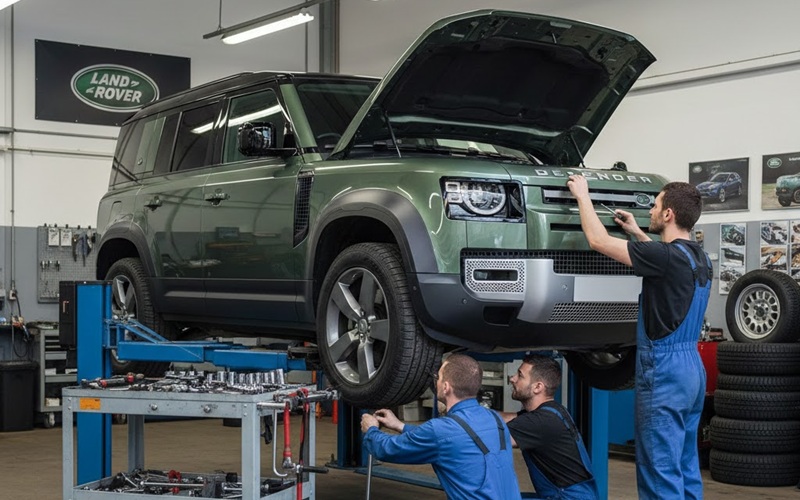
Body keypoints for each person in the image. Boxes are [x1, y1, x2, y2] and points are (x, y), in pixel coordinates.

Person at [566, 175, 711, 499]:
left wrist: (582, 196)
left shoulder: (665, 257)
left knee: (659, 473)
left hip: (665, 373)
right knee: (684, 466)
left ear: (669, 214)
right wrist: (634, 231)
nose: (651, 210)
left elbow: (599, 241)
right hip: (692, 371)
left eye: (656, 205)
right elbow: (661, 259)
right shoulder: (698, 257)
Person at [361, 353, 522, 500]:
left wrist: (371, 430)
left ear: (446, 387)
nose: (435, 382)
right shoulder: (495, 419)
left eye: (438, 378)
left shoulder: (441, 430)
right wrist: (400, 426)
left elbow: (388, 449)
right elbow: (449, 438)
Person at [500, 354, 598, 499]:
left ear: (538, 387)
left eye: (520, 375)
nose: (512, 378)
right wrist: (468, 410)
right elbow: (506, 418)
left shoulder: (540, 422)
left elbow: (490, 438)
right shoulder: (552, 410)